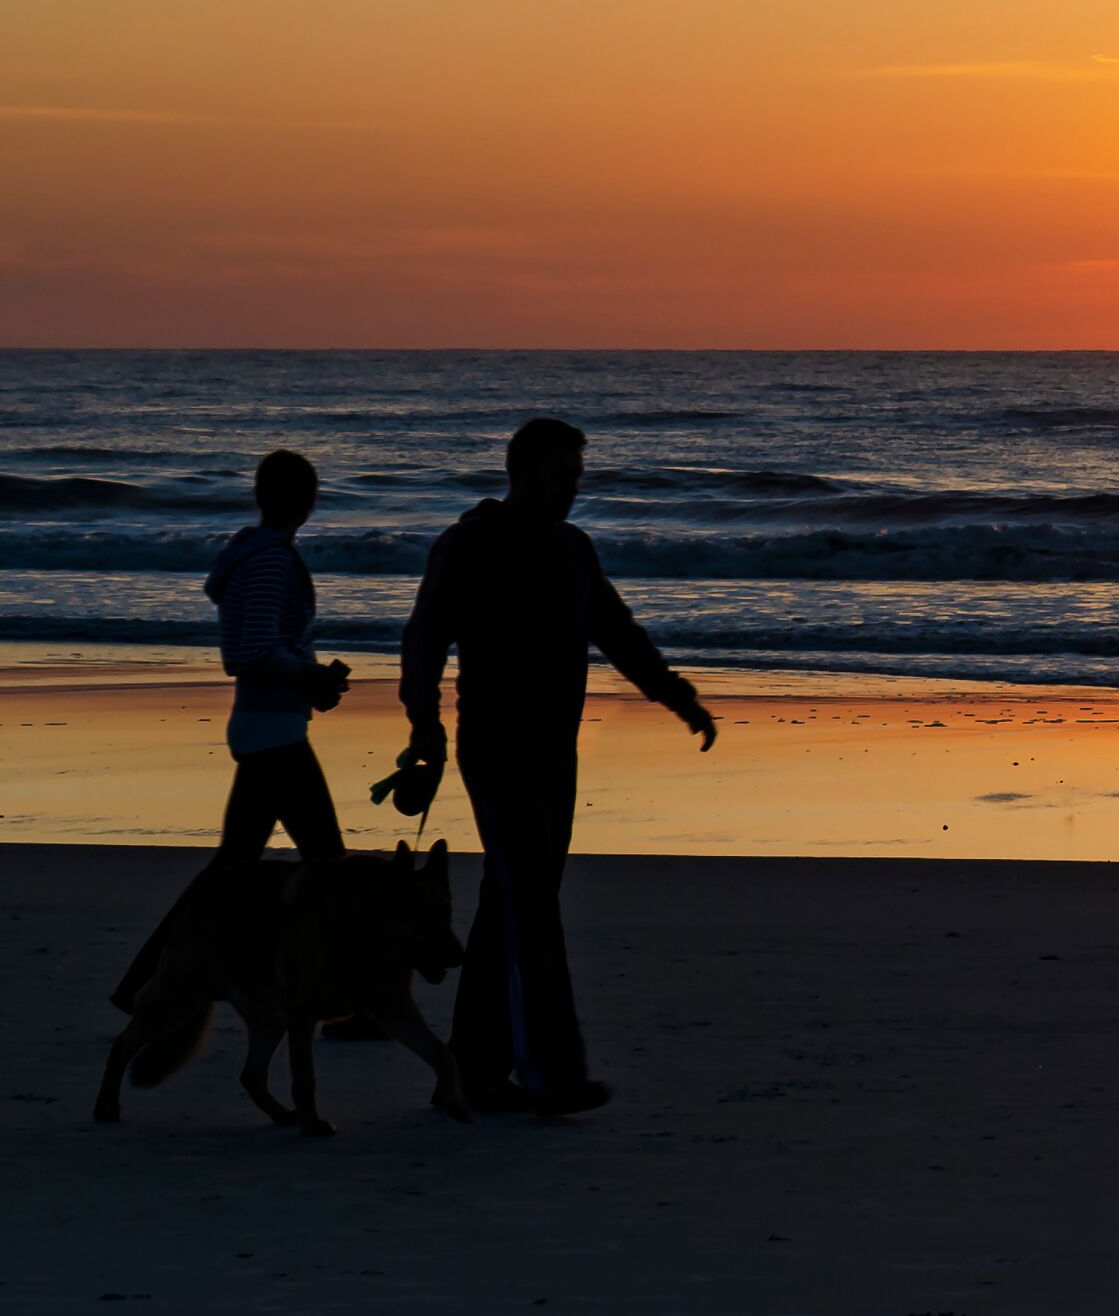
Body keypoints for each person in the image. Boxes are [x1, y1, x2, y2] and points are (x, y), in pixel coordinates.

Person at [383, 416, 715, 1118]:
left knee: (510, 906)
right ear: (524, 470)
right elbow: (424, 637)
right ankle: (552, 1072)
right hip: (494, 750)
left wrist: (676, 695)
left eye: (577, 475)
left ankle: (470, 1073)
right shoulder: (469, 543)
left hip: (553, 755)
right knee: (529, 904)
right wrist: (423, 726)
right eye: (563, 474)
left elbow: (619, 633)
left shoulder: (573, 550)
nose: (573, 488)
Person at [109, 448, 353, 1013]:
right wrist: (311, 677)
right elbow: (254, 653)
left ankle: (141, 985)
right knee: (329, 868)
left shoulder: (253, 558)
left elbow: (251, 652)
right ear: (307, 500)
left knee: (232, 868)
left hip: (262, 725)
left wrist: (308, 685)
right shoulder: (270, 562)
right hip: (273, 734)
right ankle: (351, 1004)